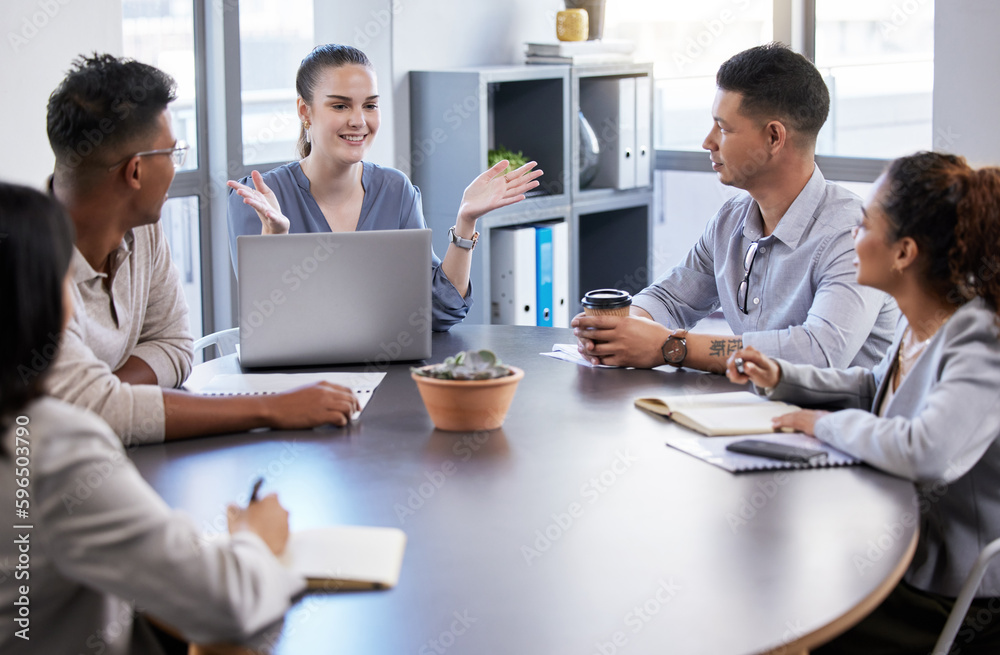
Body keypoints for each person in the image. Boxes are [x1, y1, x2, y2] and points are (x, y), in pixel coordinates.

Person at [0, 182, 305, 654]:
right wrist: (255, 539)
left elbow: (174, 343)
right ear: (38, 299)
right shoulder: (52, 449)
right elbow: (226, 601)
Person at [728, 152, 1000, 654]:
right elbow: (872, 387)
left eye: (865, 225)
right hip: (903, 554)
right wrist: (783, 376)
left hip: (958, 599)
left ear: (904, 253)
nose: (852, 237)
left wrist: (819, 425)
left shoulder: (982, 336)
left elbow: (925, 450)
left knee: (782, 614)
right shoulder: (919, 319)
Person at [45, 53, 360, 444]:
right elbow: (92, 412)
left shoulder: (141, 229)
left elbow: (175, 346)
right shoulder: (27, 265)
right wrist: (273, 408)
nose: (177, 167)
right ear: (136, 172)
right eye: (174, 154)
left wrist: (108, 396)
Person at [573, 43, 897, 373]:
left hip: (841, 421)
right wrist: (621, 331)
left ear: (774, 137)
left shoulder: (853, 234)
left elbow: (820, 352)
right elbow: (670, 299)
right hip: (757, 414)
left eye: (724, 128)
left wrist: (672, 347)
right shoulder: (732, 218)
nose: (708, 142)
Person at [227, 43, 543, 331]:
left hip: (386, 374)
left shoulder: (396, 190)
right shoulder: (260, 198)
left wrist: (465, 221)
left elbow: (438, 313)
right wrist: (275, 239)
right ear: (304, 111)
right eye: (340, 106)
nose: (358, 121)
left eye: (370, 105)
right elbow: (267, 324)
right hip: (298, 384)